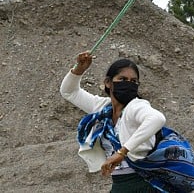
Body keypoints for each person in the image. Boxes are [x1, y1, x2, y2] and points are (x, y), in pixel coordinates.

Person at [60, 51, 166, 193]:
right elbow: (69, 92)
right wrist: (80, 68)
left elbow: (157, 118)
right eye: (122, 79)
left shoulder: (136, 106)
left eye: (133, 81)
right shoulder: (103, 107)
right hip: (120, 185)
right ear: (108, 83)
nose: (128, 84)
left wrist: (122, 152)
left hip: (145, 184)